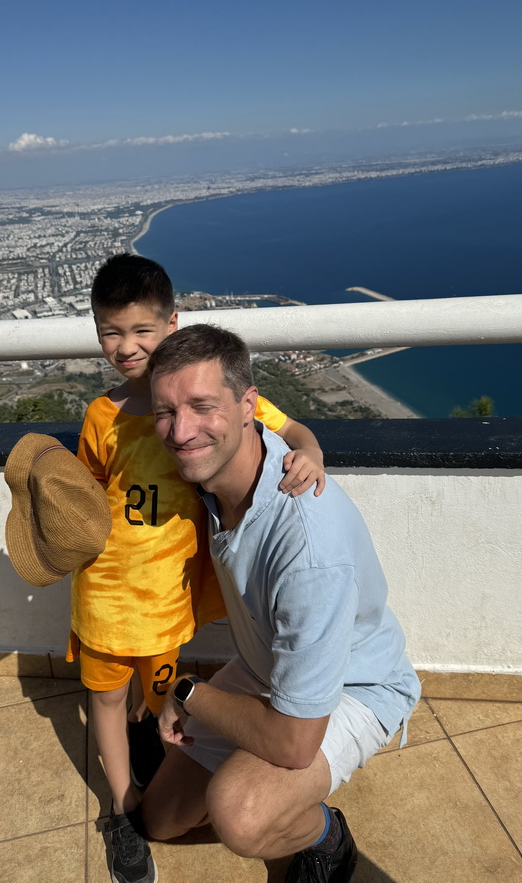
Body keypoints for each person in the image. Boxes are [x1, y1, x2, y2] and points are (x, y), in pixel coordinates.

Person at [70, 254, 326, 883]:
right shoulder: (102, 416)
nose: (125, 347)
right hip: (104, 595)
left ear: (173, 322)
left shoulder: (200, 398)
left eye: (141, 330)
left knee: (159, 695)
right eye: (110, 331)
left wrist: (311, 452)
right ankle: (122, 805)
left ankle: (152, 769)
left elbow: (287, 425)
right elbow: (83, 498)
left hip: (166, 600)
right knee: (106, 697)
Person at [142, 324, 420, 883]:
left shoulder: (306, 546)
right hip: (269, 663)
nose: (180, 431)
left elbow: (293, 746)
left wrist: (190, 693)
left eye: (202, 406)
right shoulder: (222, 478)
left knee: (240, 815)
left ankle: (326, 836)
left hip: (356, 685)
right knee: (160, 820)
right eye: (166, 412)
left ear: (249, 407)